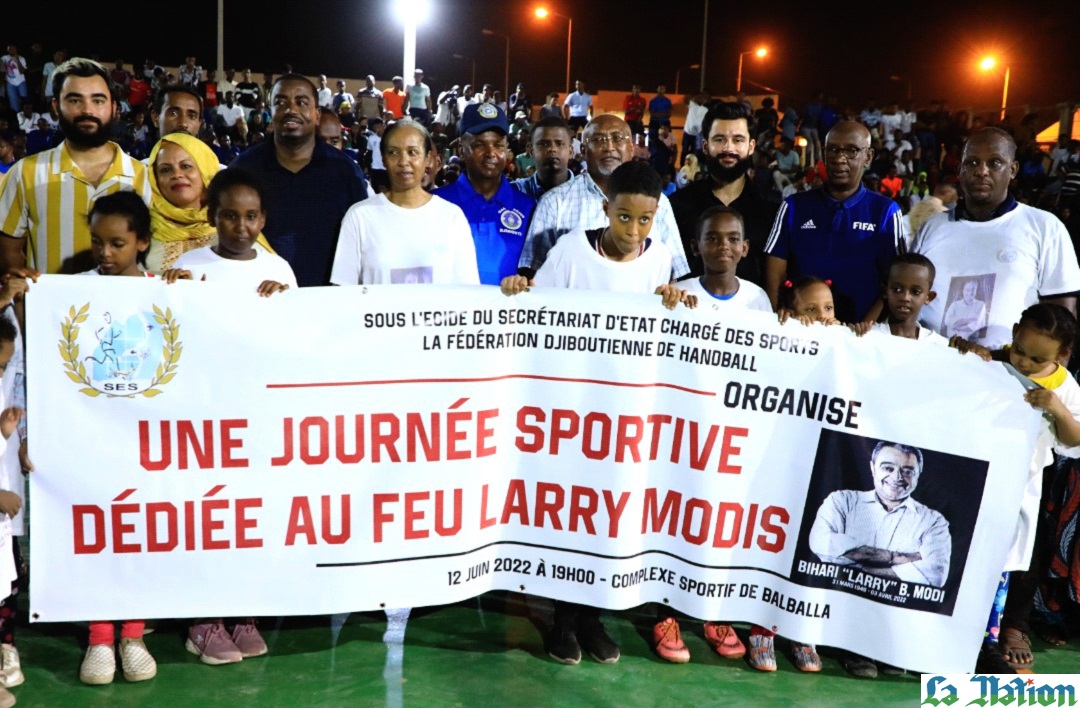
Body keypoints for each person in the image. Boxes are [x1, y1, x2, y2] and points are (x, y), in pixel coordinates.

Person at [501, 161, 692, 666]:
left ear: (657, 215)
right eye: (624, 217)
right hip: (573, 406)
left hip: (625, 411)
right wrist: (520, 290)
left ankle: (591, 618)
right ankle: (562, 621)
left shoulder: (660, 259)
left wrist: (674, 300)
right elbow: (538, 309)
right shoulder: (570, 250)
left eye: (645, 219)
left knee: (609, 514)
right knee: (571, 513)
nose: (633, 230)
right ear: (606, 209)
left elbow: (667, 326)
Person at [73, 192, 159, 683]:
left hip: (148, 440)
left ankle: (134, 634)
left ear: (142, 242)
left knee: (140, 535)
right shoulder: (73, 291)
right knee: (97, 534)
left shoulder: (165, 292)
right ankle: (99, 638)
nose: (104, 253)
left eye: (117, 244)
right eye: (97, 242)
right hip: (92, 436)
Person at [977, 304, 1080, 671]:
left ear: (1062, 354)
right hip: (979, 477)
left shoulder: (1064, 387)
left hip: (1024, 485)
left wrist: (1057, 409)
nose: (1023, 363)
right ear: (1014, 331)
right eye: (1020, 350)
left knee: (1017, 558)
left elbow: (1074, 438)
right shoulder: (990, 362)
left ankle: (1005, 630)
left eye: (1037, 360)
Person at [912, 128, 1080, 349]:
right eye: (972, 162)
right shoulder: (932, 227)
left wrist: (1054, 370)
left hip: (1007, 368)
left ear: (1013, 170)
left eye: (995, 163)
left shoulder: (1044, 226)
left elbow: (1062, 314)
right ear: (959, 170)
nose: (982, 171)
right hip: (932, 362)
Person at [0, 58, 152, 276]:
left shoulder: (143, 175)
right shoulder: (25, 173)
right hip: (52, 300)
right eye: (74, 100)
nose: (87, 110)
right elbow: (8, 252)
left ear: (114, 108)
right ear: (56, 107)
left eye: (98, 100)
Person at [230, 74, 368, 287]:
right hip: (259, 297)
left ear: (317, 115)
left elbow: (363, 243)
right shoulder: (243, 169)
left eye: (301, 102)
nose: (291, 110)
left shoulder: (346, 172)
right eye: (280, 103)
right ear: (270, 111)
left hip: (330, 299)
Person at [764, 121, 905, 323]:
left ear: (868, 157)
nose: (839, 159)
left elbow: (895, 280)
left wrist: (864, 330)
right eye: (833, 150)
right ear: (823, 154)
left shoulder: (886, 211)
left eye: (851, 151)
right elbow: (775, 272)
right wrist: (778, 316)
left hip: (860, 332)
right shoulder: (794, 206)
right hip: (801, 331)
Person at [518, 114, 689, 281]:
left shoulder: (659, 202)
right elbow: (533, 274)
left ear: (631, 147)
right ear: (583, 150)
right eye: (598, 140)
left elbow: (675, 274)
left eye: (617, 138)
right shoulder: (554, 202)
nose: (609, 147)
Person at [330, 119, 478, 286]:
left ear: (427, 158)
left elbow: (468, 291)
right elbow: (343, 292)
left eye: (412, 152)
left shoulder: (451, 217)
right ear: (383, 159)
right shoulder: (360, 217)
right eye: (393, 152)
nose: (403, 162)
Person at [670, 101, 778, 285]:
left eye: (738, 140)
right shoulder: (677, 205)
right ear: (705, 146)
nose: (728, 148)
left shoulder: (772, 207)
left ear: (751, 146)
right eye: (719, 139)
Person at [433, 103, 535, 284]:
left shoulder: (528, 207)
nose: (491, 153)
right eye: (479, 144)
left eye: (498, 145)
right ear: (461, 150)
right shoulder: (435, 202)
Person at [145, 133, 221, 271]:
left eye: (186, 166)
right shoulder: (140, 231)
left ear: (206, 170)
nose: (177, 175)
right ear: (155, 179)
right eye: (166, 170)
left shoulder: (233, 226)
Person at [512, 116, 574, 201]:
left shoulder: (586, 193)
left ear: (570, 152)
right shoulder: (514, 191)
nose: (552, 149)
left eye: (559, 144)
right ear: (531, 151)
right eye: (544, 144)